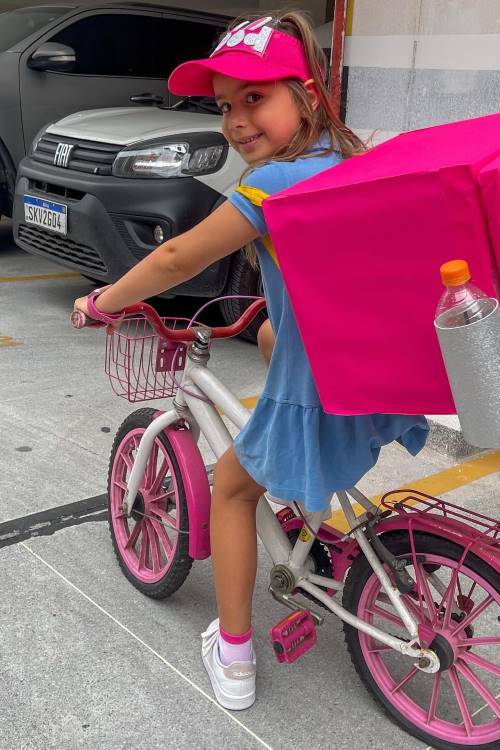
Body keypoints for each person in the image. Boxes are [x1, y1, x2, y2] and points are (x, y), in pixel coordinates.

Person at [73, 12, 429, 711]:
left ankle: (234, 658)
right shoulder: (347, 166)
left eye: (255, 98)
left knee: (233, 491)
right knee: (268, 337)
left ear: (309, 92)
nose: (236, 120)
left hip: (322, 391)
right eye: (225, 106)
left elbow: (180, 256)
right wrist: (272, 326)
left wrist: (106, 299)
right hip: (372, 375)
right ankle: (303, 498)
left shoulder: (272, 186)